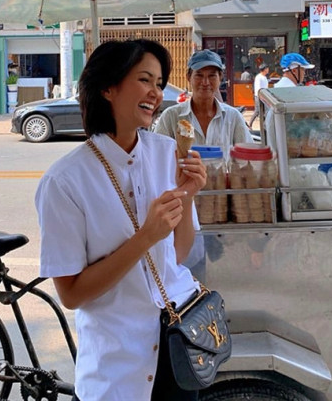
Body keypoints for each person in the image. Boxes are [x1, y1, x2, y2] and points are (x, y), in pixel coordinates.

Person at [35, 39, 206, 401]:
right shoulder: (64, 181)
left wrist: (188, 193)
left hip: (179, 350)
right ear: (108, 87)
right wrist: (145, 238)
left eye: (159, 83)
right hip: (117, 369)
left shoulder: (166, 153)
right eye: (145, 80)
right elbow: (72, 294)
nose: (156, 93)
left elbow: (178, 254)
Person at [155, 49, 253, 154]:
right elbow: (156, 157)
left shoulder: (233, 117)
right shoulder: (171, 117)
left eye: (212, 76)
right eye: (199, 75)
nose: (205, 82)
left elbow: (248, 158)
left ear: (220, 77)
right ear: (188, 77)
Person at [248, 62, 269, 128]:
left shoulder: (264, 77)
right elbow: (258, 88)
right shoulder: (259, 77)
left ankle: (264, 126)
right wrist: (260, 96)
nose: (268, 70)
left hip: (264, 96)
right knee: (257, 111)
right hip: (259, 96)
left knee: (264, 111)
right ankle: (250, 124)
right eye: (267, 68)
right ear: (264, 69)